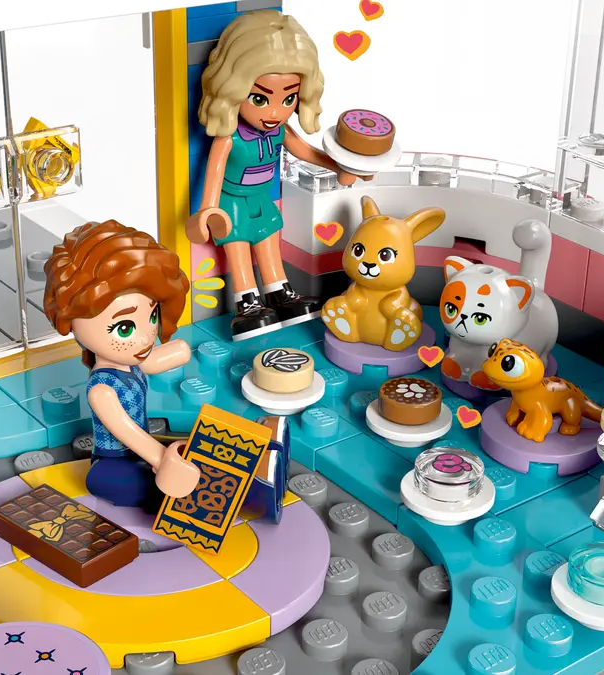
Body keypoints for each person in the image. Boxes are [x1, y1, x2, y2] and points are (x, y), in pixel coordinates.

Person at [189, 10, 371, 341]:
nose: (275, 112)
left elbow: (308, 152)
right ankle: (247, 303)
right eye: (260, 98)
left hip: (261, 197)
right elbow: (213, 173)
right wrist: (208, 210)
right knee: (238, 245)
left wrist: (342, 167)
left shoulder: (280, 131)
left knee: (268, 239)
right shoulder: (229, 138)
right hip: (232, 201)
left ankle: (279, 293)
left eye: (288, 98)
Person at [43, 220, 200, 511]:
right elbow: (125, 430)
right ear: (73, 325)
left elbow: (156, 359)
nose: (146, 336)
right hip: (112, 463)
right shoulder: (101, 389)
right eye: (124, 328)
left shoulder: (133, 361)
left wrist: (179, 350)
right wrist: (162, 460)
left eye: (152, 317)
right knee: (159, 493)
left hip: (143, 452)